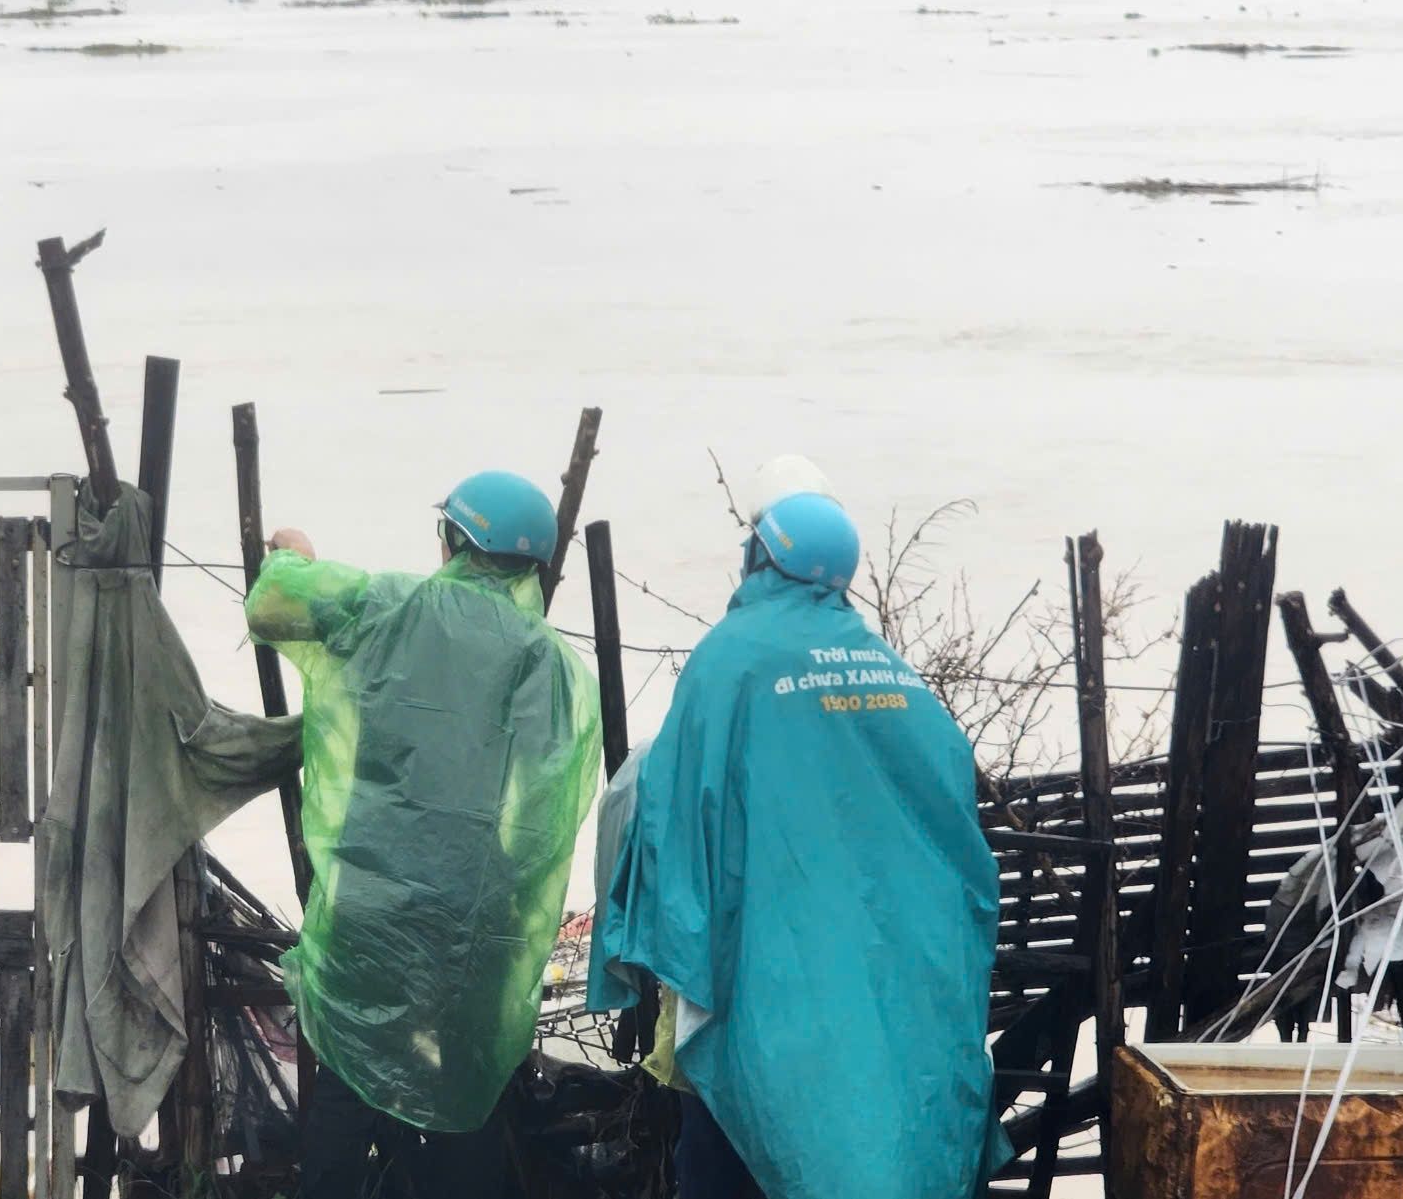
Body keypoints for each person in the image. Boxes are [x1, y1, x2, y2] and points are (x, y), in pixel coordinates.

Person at [589, 462, 1010, 1199]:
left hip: (760, 987)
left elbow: (669, 823)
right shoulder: (896, 677)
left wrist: (647, 954)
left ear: (757, 554)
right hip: (878, 981)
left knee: (731, 1151)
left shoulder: (730, 658)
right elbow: (955, 846)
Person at [248, 471, 602, 1199]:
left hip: (370, 901)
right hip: (479, 916)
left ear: (452, 540)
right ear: (536, 567)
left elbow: (274, 605)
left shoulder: (386, 605)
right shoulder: (556, 665)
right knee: (463, 1095)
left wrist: (294, 554)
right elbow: (545, 805)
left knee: (347, 1078)